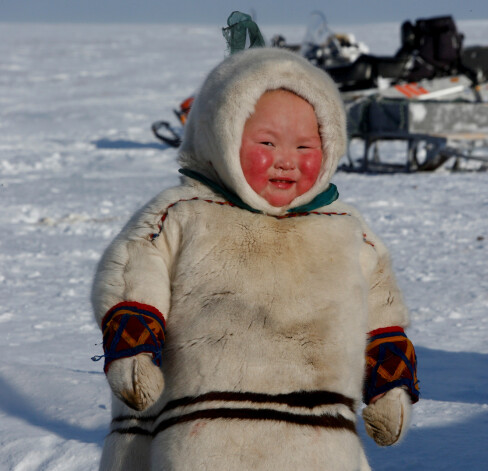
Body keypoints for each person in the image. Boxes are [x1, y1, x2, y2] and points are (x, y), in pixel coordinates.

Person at [92, 46, 419, 471]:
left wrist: (389, 386)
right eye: (267, 142)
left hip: (319, 444)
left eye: (305, 145)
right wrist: (134, 356)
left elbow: (383, 315)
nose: (287, 160)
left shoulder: (346, 232)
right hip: (203, 435)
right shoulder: (185, 214)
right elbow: (134, 279)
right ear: (221, 136)